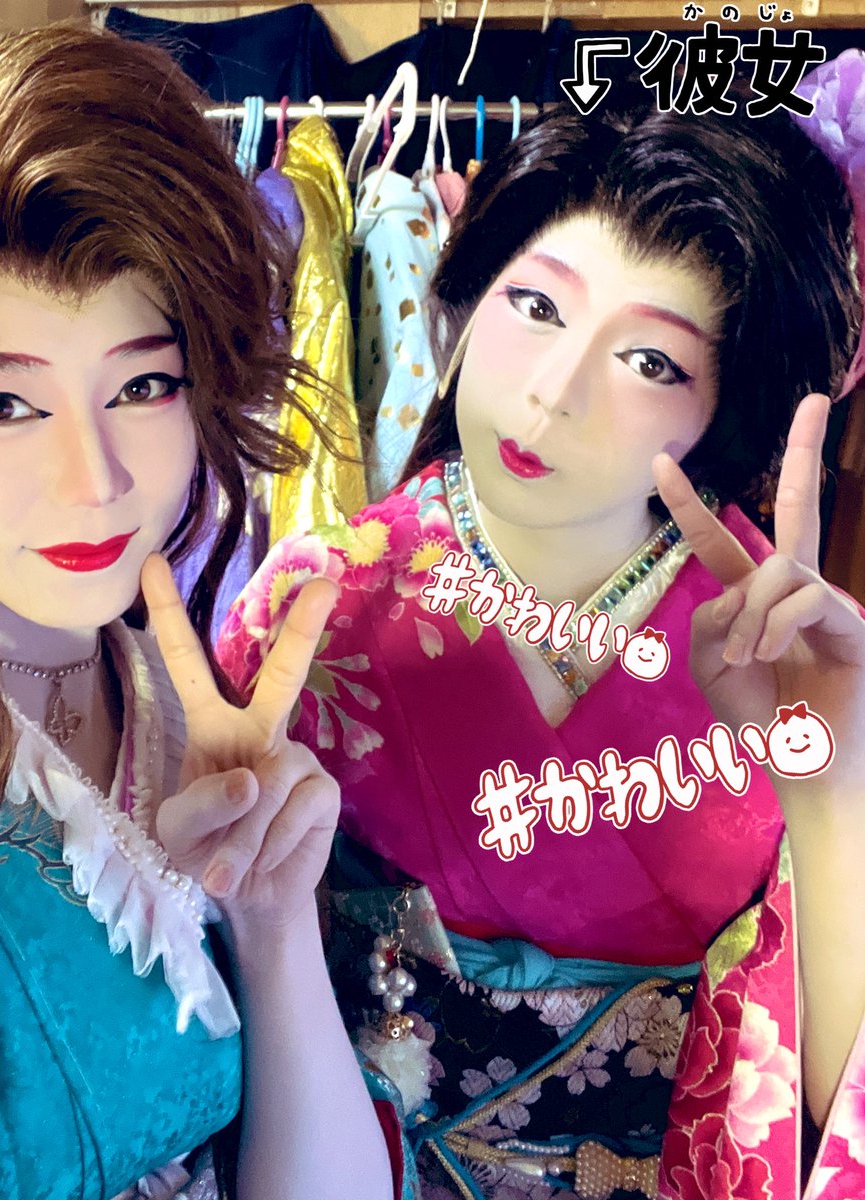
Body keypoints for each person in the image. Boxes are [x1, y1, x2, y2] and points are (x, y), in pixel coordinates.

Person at [218, 74, 865, 1200]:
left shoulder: (786, 648)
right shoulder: (314, 613)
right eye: (535, 306)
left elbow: (827, 1090)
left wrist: (832, 776)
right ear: (466, 296)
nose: (556, 391)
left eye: (651, 362)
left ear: (725, 407)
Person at [0, 25, 405, 1200]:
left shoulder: (181, 705)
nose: (96, 478)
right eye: (0, 405)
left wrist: (274, 921)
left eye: (142, 385)